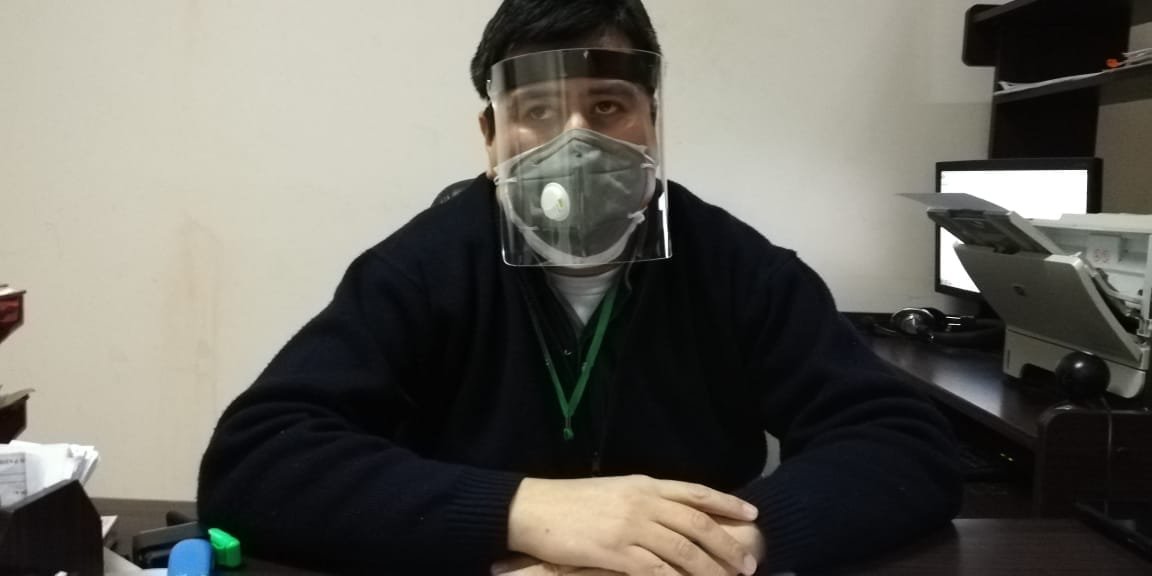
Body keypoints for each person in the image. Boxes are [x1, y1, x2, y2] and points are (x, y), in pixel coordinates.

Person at [197, 1, 962, 574]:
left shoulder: (740, 269)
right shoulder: (420, 269)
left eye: (607, 106)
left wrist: (713, 543)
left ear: (652, 121)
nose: (575, 141)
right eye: (536, 110)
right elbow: (255, 461)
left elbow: (905, 443)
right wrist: (522, 511)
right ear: (490, 138)